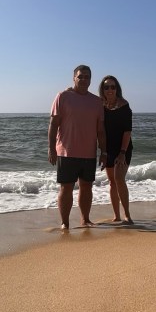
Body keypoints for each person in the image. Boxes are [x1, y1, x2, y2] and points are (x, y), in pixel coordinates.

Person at [48, 65, 107, 229]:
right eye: (80, 76)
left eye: (87, 77)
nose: (83, 79)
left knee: (86, 187)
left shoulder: (96, 101)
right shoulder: (63, 96)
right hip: (66, 152)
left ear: (91, 80)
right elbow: (53, 124)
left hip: (89, 153)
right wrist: (51, 148)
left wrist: (104, 152)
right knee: (66, 188)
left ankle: (85, 219)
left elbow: (100, 130)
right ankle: (65, 223)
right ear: (74, 78)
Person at [98, 74, 133, 225]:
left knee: (119, 179)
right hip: (108, 149)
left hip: (123, 148)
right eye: (106, 87)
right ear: (103, 89)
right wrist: (103, 152)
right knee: (112, 182)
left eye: (113, 87)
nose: (110, 90)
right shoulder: (100, 106)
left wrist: (122, 153)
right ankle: (116, 216)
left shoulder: (124, 106)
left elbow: (127, 131)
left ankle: (127, 215)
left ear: (117, 88)